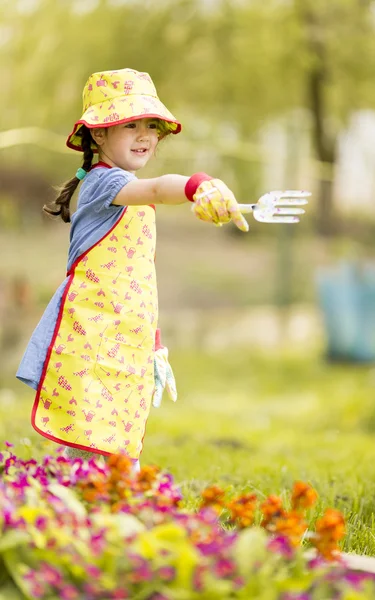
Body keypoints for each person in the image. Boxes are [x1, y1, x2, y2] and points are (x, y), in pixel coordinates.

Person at [16, 68, 249, 468]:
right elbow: (159, 188)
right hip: (90, 340)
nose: (144, 135)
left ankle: (106, 516)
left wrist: (152, 339)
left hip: (124, 340)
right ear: (99, 134)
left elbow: (137, 279)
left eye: (151, 125)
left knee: (120, 443)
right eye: (129, 124)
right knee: (93, 447)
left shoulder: (125, 191)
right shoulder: (105, 184)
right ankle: (73, 518)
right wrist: (199, 185)